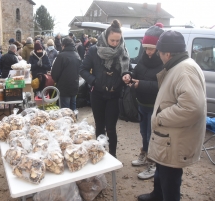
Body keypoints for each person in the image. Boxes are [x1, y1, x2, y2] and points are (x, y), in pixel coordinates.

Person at [135, 31, 206, 201]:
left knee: (170, 179)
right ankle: (157, 195)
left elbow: (193, 108)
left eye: (159, 51)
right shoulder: (178, 66)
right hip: (168, 137)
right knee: (162, 168)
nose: (158, 55)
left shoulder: (185, 70)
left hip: (175, 138)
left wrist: (160, 116)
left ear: (167, 53)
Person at [80, 19, 130, 157]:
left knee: (111, 128)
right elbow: (83, 69)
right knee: (100, 127)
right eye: (112, 40)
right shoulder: (94, 50)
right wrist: (94, 81)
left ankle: (112, 156)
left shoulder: (123, 51)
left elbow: (128, 70)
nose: (115, 44)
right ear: (105, 37)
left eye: (117, 41)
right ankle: (99, 154)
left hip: (114, 95)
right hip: (97, 94)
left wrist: (127, 75)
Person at [123, 24, 164, 180]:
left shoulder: (163, 62)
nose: (147, 51)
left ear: (159, 48)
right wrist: (128, 75)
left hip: (155, 106)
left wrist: (141, 84)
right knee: (143, 133)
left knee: (152, 135)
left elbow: (162, 85)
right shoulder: (143, 58)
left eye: (151, 49)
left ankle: (153, 163)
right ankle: (144, 154)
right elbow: (136, 72)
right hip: (142, 103)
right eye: (145, 48)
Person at [51, 37, 81, 110]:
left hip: (64, 87)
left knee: (65, 110)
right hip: (74, 85)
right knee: (73, 108)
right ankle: (74, 120)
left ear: (64, 45)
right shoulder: (77, 55)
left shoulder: (61, 56)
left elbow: (54, 73)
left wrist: (57, 80)